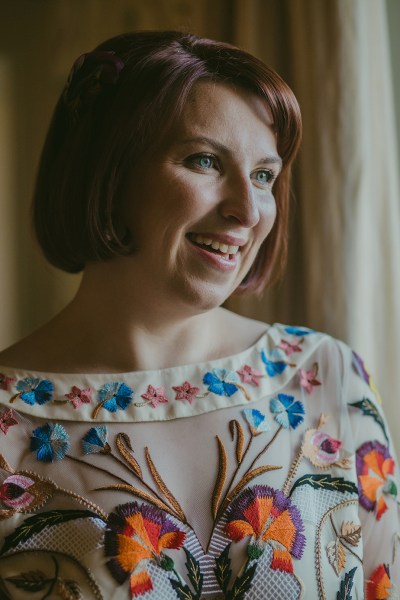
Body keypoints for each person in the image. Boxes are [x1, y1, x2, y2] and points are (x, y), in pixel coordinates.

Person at [0, 30, 398, 600]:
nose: (247, 209)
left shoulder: (327, 378)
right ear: (105, 172)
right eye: (205, 160)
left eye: (264, 175)